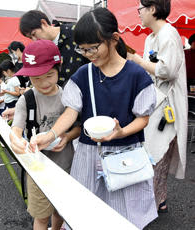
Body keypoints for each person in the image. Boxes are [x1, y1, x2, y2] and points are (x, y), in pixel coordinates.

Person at [31, 8, 158, 229]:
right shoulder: (83, 74)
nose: (89, 54)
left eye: (93, 48)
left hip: (126, 153)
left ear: (114, 39)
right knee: (86, 215)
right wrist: (50, 135)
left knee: (125, 217)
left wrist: (122, 132)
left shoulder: (137, 75)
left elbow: (143, 118)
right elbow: (71, 112)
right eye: (83, 50)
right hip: (90, 155)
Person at [9, 39, 79, 230]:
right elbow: (16, 128)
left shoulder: (69, 96)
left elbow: (78, 127)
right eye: (36, 78)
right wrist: (16, 141)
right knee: (41, 216)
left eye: (49, 75)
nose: (43, 83)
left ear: (59, 68)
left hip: (66, 166)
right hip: (38, 170)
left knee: (60, 212)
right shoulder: (27, 99)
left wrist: (67, 137)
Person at [127, 0, 188, 213]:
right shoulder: (152, 37)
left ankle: (146, 208)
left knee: (155, 154)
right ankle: (157, 200)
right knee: (155, 157)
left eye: (140, 9)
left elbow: (167, 71)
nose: (139, 14)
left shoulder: (168, 34)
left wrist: (135, 59)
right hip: (155, 103)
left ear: (152, 9)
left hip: (166, 107)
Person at [20, 10, 89, 87]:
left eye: (34, 34)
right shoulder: (40, 49)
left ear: (44, 23)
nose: (34, 40)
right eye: (30, 38)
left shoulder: (75, 32)